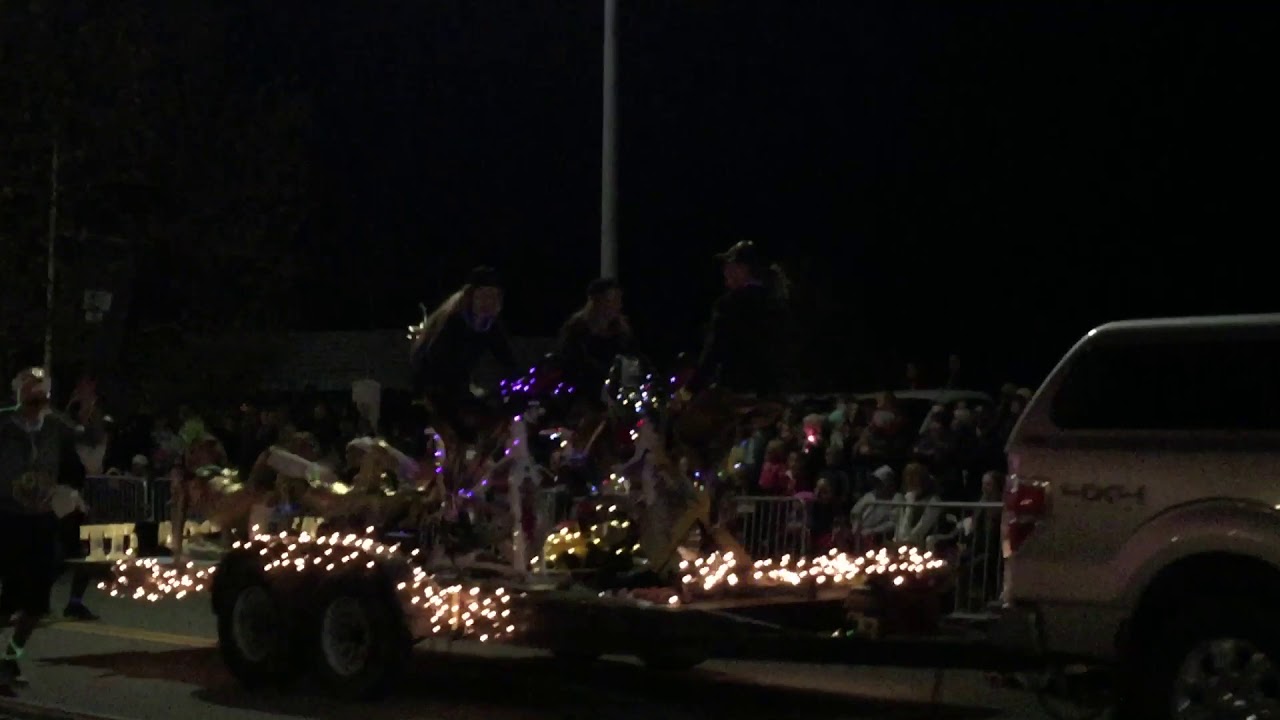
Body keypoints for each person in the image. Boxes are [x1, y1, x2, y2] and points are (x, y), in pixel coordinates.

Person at [0, 369, 101, 688]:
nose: (37, 396)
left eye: (42, 391)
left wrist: (88, 411)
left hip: (41, 519)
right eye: (30, 390)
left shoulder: (56, 425)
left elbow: (90, 442)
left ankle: (10, 658)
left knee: (36, 605)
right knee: (8, 601)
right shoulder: (3, 424)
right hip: (8, 518)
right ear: (18, 393)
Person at [410, 266, 518, 452]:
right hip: (434, 385)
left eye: (493, 297)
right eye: (483, 296)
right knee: (466, 428)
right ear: (471, 296)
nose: (487, 302)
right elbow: (436, 364)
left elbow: (507, 359)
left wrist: (519, 381)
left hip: (458, 385)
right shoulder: (452, 321)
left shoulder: (490, 325)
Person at [685, 240, 789, 398]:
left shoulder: (729, 305)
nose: (725, 272)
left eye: (728, 266)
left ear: (742, 269)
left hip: (737, 395)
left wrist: (689, 390)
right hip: (773, 394)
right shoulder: (777, 302)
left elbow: (714, 352)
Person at [557, 277, 632, 406]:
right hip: (582, 397)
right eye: (611, 300)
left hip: (615, 396)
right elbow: (571, 365)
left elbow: (629, 359)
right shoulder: (576, 330)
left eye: (618, 300)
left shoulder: (621, 332)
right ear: (596, 301)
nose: (618, 305)